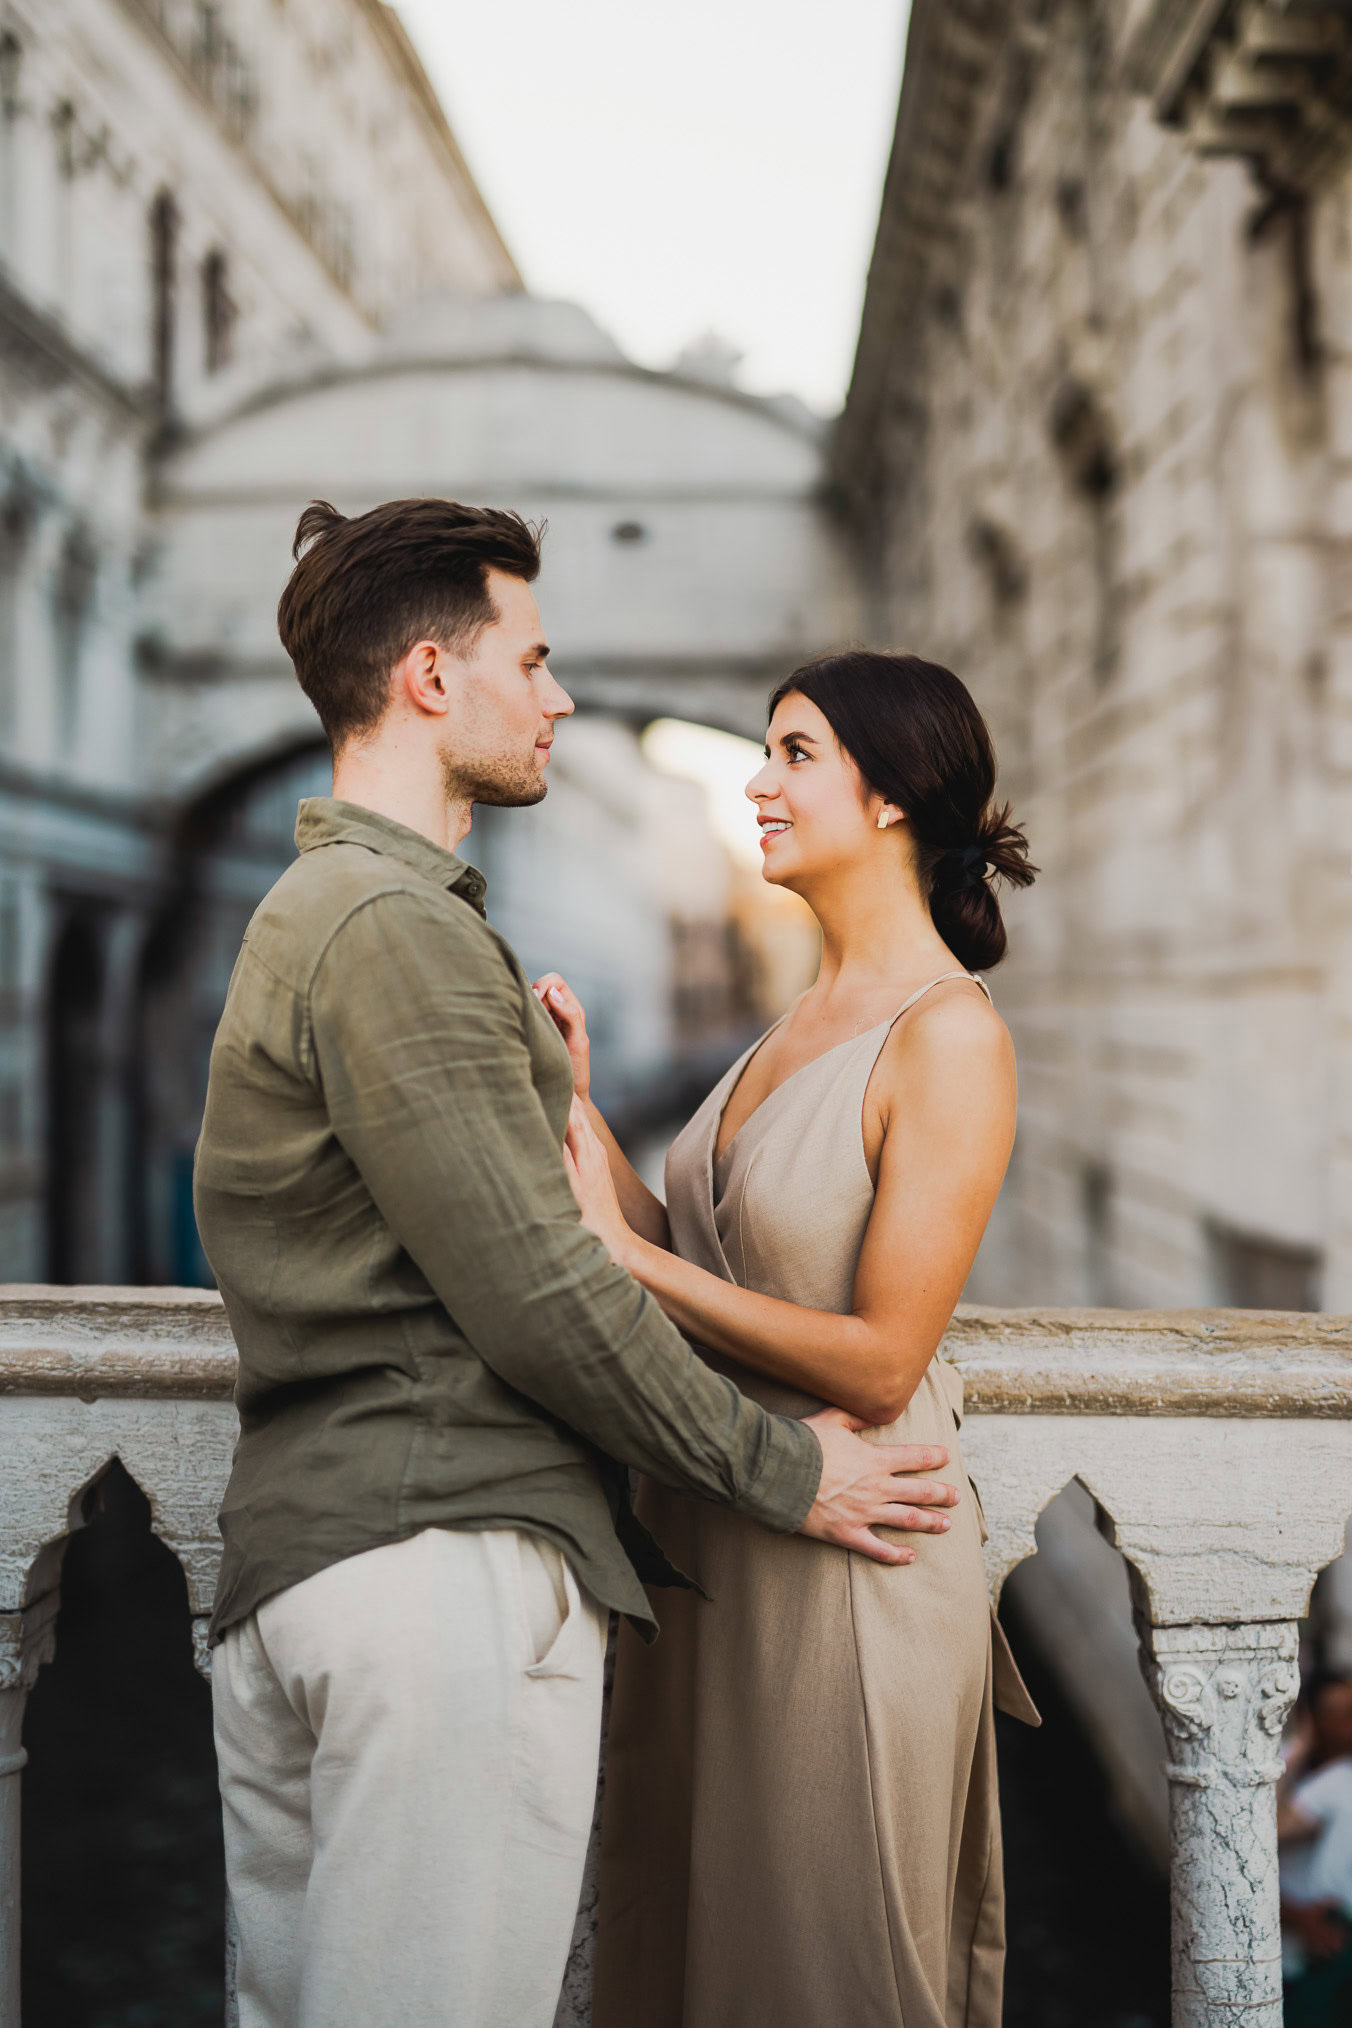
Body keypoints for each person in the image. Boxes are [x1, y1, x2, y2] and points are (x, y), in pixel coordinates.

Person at [193, 502, 961, 2028]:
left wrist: (572, 1118)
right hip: (433, 1578)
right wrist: (783, 1473)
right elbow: (544, 1297)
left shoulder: (351, 916)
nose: (554, 699)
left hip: (353, 1559)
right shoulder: (390, 927)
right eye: (531, 662)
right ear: (430, 678)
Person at [542, 649, 1042, 2028]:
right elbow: (692, 1268)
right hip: (729, 1534)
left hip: (857, 1558)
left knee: (831, 1972)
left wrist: (627, 1253)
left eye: (795, 752)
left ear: (891, 797)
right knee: (701, 1957)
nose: (758, 782)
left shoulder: (951, 1038)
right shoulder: (801, 1017)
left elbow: (883, 1357)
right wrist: (584, 1122)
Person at [1280, 1672, 1352, 2026]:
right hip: (1292, 1948)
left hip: (1327, 1940)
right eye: (1344, 1714)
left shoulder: (1339, 1779)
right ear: (1315, 1721)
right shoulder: (1287, 1765)